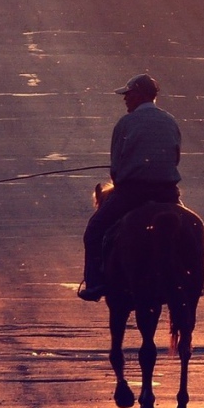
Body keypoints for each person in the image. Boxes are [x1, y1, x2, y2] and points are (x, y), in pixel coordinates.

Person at [78, 72, 182, 301]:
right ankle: (188, 280)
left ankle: (95, 282)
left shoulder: (126, 123)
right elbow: (175, 158)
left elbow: (116, 168)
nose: (125, 99)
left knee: (95, 230)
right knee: (188, 228)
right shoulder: (170, 120)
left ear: (140, 95)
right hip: (168, 192)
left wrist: (126, 173)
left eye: (128, 95)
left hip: (132, 193)